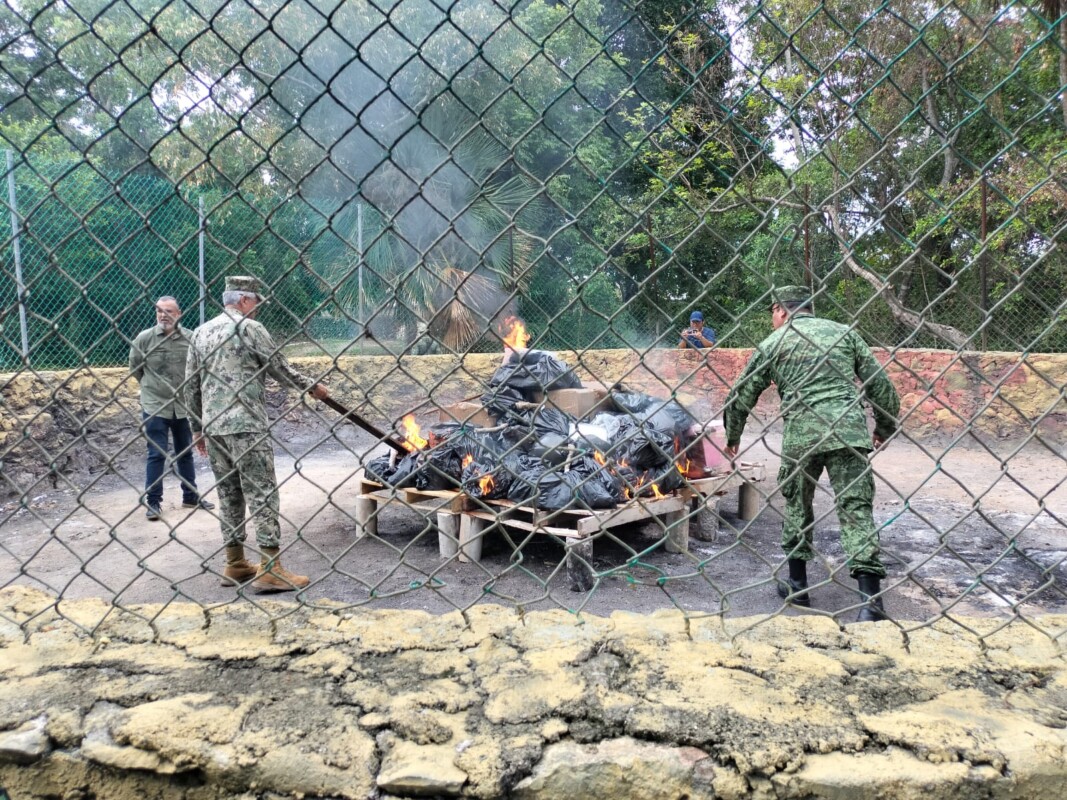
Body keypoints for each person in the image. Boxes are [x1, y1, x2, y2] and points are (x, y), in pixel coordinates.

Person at [722, 286, 900, 622]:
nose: (772, 321)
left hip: (801, 437)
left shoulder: (773, 344)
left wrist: (732, 438)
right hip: (848, 434)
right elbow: (881, 385)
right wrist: (884, 427)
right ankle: (870, 604)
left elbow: (742, 393)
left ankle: (798, 584)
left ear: (781, 311)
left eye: (772, 314)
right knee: (855, 508)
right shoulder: (845, 334)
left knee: (796, 504)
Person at [185, 276, 330, 592]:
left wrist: (197, 429)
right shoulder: (250, 329)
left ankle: (234, 562)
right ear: (244, 300)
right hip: (247, 426)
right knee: (263, 493)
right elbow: (279, 367)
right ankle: (270, 569)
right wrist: (313, 388)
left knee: (229, 495)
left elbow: (191, 385)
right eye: (257, 302)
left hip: (214, 428)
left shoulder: (200, 332)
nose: (259, 309)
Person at [129, 296, 215, 521]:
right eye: (159, 311)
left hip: (184, 406)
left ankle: (190, 496)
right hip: (155, 405)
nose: (162, 315)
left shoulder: (190, 339)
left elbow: (199, 370)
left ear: (178, 314)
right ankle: (154, 502)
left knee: (185, 452)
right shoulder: (145, 339)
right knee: (156, 454)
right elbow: (136, 369)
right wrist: (153, 389)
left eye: (168, 311)